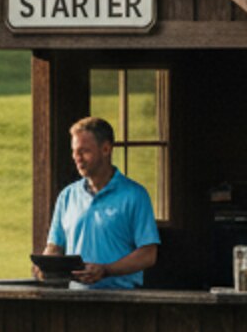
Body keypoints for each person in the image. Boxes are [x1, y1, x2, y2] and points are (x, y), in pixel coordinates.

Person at [45, 117, 161, 288]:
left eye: (84, 151)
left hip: (123, 302)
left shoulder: (135, 195)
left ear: (106, 149)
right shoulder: (67, 196)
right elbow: (55, 247)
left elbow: (148, 254)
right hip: (74, 302)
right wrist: (45, 265)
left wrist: (106, 270)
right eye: (74, 151)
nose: (77, 158)